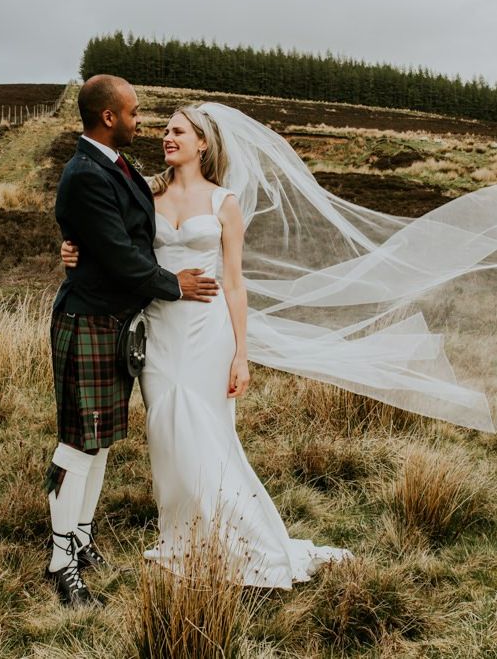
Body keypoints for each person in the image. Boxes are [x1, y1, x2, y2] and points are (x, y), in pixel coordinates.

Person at [62, 104, 353, 588]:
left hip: (208, 333)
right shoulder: (144, 192)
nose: (166, 137)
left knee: (207, 436)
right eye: (165, 131)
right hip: (158, 331)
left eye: (178, 131)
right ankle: (184, 537)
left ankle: (245, 542)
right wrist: (70, 247)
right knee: (166, 433)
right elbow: (108, 242)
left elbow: (236, 285)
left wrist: (241, 353)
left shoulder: (224, 204)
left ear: (203, 143)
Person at [46, 75, 220, 608]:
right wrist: (175, 285)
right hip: (89, 319)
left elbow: (128, 232)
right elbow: (122, 255)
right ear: (108, 117)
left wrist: (77, 249)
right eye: (135, 113)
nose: (140, 121)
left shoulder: (118, 167)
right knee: (78, 442)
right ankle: (60, 563)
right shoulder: (85, 174)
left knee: (98, 440)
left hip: (116, 323)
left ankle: (80, 535)